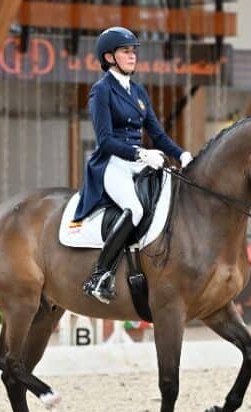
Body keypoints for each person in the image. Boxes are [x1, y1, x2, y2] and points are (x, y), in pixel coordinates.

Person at [74, 27, 194, 304]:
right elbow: (104, 141)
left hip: (139, 162)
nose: (132, 56)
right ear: (110, 57)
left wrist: (182, 154)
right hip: (112, 163)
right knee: (137, 209)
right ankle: (99, 275)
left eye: (133, 51)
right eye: (126, 51)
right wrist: (141, 154)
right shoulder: (101, 90)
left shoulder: (138, 91)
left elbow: (158, 134)